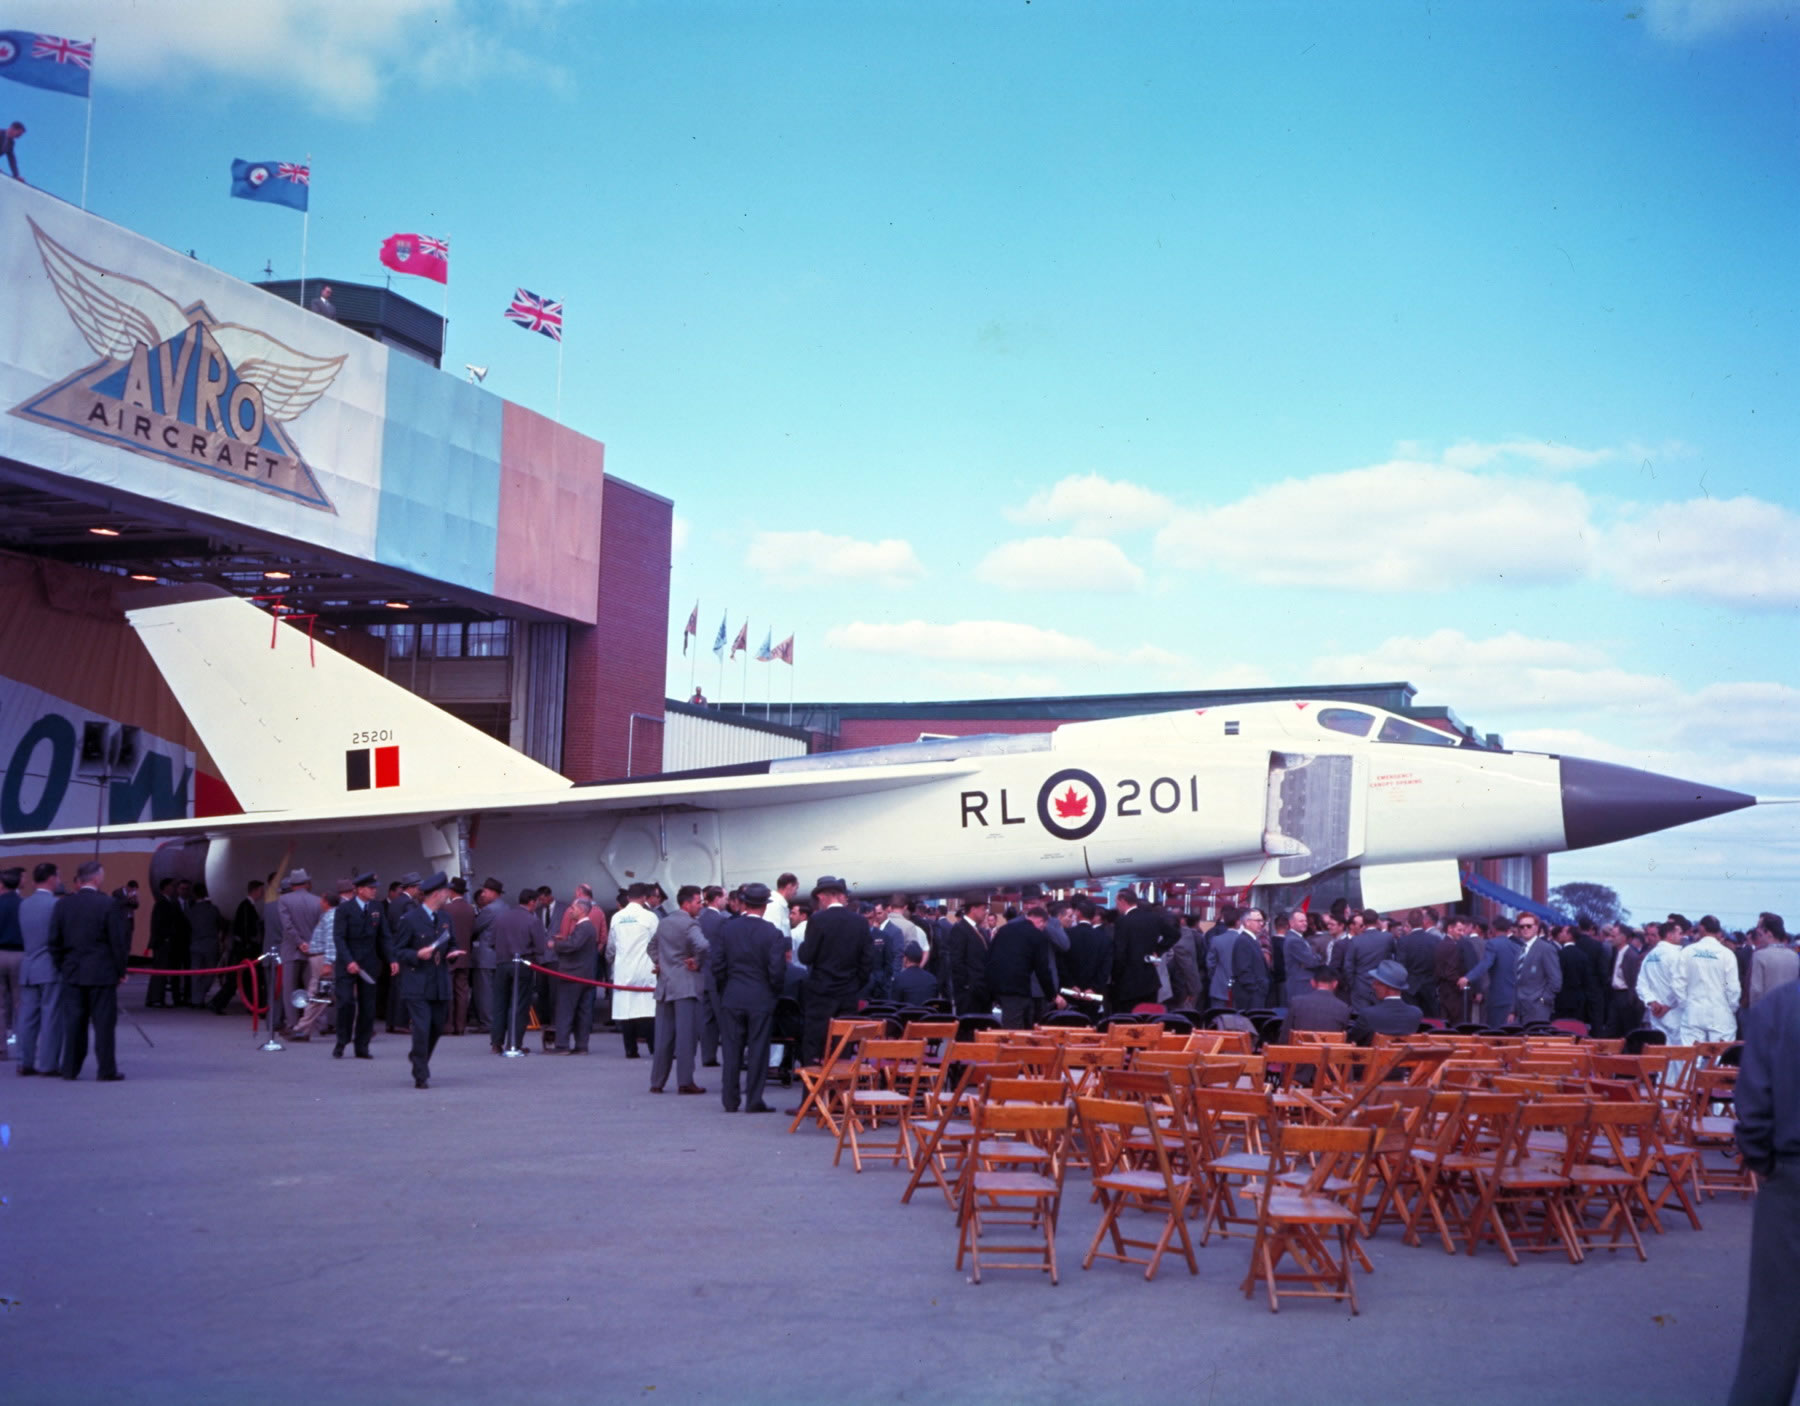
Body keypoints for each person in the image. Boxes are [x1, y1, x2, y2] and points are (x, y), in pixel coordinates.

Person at [1726, 970, 1800, 1406]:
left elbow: (1753, 1102)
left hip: (1792, 1176)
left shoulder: (1778, 1008)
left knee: (1774, 1327)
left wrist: (1766, 1161)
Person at [49, 860, 131, 1081]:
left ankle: (70, 1068)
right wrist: (120, 970)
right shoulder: (108, 904)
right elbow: (117, 941)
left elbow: (54, 941)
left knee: (74, 1023)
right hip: (102, 973)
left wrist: (63, 966)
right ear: (96, 878)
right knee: (104, 1025)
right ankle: (106, 1069)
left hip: (73, 972)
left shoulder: (63, 905)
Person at [712, 881, 786, 1114]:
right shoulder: (772, 933)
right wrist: (772, 992)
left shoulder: (727, 928)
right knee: (758, 1049)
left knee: (732, 1049)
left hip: (733, 994)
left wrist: (726, 988)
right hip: (761, 996)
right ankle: (754, 1099)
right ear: (764, 906)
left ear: (743, 903)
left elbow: (717, 965)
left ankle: (730, 1099)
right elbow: (777, 971)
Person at [796, 876, 873, 1064]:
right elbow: (868, 961)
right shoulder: (860, 922)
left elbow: (806, 956)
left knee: (814, 1048)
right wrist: (854, 984)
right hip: (848, 993)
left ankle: (813, 1092)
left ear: (823, 896)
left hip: (820, 993)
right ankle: (839, 1092)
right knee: (843, 1047)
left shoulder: (817, 920)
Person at [394, 872, 453, 1089]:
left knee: (437, 1026)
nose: (448, 895)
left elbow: (451, 943)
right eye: (445, 891)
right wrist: (416, 955)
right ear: (436, 894)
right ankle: (421, 1073)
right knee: (422, 1027)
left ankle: (418, 1057)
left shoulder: (445, 918)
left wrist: (453, 953)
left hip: (439, 982)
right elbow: (398, 949)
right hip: (417, 981)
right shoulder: (410, 919)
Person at [649, 885, 709, 1094]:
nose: (700, 906)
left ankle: (657, 1082)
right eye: (698, 902)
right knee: (686, 1037)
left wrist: (661, 963)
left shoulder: (664, 922)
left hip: (665, 984)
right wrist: (697, 961)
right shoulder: (690, 924)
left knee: (663, 1037)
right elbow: (703, 946)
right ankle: (685, 1081)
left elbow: (651, 946)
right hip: (686, 985)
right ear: (687, 903)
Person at [333, 872, 396, 1059]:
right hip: (347, 962)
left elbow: (384, 936)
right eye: (371, 888)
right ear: (359, 890)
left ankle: (362, 1045)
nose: (374, 891)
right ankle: (342, 1041)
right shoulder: (344, 909)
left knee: (368, 1007)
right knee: (345, 1002)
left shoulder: (377, 907)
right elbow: (339, 937)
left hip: (369, 962)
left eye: (375, 887)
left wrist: (391, 958)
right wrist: (349, 961)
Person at [15, 863, 63, 1076]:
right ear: (52, 878)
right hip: (50, 966)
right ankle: (48, 1063)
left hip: (28, 966)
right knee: (51, 1015)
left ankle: (25, 1061)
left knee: (27, 1017)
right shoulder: (55, 905)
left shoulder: (24, 904)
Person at [490, 884, 546, 1054]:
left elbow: (491, 942)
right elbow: (540, 947)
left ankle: (496, 1042)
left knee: (499, 1003)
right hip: (522, 964)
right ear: (531, 902)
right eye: (536, 902)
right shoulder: (532, 919)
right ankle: (514, 1043)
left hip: (501, 963)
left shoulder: (501, 917)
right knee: (519, 1004)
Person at [987, 905, 1062, 1029]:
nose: (1043, 929)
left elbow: (990, 956)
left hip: (997, 987)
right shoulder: (1037, 936)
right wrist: (1052, 995)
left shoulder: (1004, 930)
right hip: (1018, 987)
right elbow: (1042, 969)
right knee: (1014, 1028)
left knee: (1009, 1022)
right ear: (1041, 921)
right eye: (1043, 926)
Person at [606, 884, 660, 1057]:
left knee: (626, 1011)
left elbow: (611, 946)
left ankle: (630, 1050)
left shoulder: (617, 917)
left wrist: (611, 961)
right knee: (648, 1011)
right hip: (645, 968)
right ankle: (654, 1048)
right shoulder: (650, 917)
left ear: (628, 898)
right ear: (644, 898)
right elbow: (657, 942)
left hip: (623, 969)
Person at [290, 882, 346, 1041]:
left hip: (323, 960)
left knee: (318, 995)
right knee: (334, 995)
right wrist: (313, 946)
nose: (319, 903)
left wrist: (328, 962)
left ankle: (302, 1029)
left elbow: (331, 941)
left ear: (327, 902)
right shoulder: (330, 916)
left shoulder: (331, 917)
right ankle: (360, 1027)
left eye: (321, 900)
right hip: (321, 957)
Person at [1676, 915, 1741, 1043]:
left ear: (1701, 929)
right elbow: (1732, 986)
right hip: (1720, 1011)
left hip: (1693, 1011)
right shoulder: (1727, 954)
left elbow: (1678, 983)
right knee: (1720, 1057)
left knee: (1690, 1057)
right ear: (1718, 931)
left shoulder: (1687, 952)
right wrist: (1731, 1007)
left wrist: (1686, 1004)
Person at [550, 895, 601, 1054]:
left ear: (581, 910)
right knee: (583, 1012)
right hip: (585, 974)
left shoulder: (584, 927)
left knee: (566, 1010)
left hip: (573, 974)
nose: (570, 911)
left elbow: (573, 945)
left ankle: (562, 1045)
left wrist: (556, 945)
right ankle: (581, 1045)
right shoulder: (588, 928)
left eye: (573, 908)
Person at [1109, 889, 1174, 1012]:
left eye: (1116, 902)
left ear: (1122, 900)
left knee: (1127, 1023)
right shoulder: (1153, 918)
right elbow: (1174, 934)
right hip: (1150, 980)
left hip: (1127, 982)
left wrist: (1115, 977)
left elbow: (1120, 953)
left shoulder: (1123, 921)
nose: (1116, 906)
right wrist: (1157, 951)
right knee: (1148, 1021)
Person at [935, 896, 990, 1013]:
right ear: (973, 909)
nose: (985, 912)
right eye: (983, 909)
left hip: (982, 990)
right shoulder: (960, 929)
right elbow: (957, 960)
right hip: (969, 992)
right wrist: (967, 985)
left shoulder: (980, 930)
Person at [1348, 960, 1423, 1046]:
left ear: (1387, 988)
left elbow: (1350, 1040)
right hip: (1402, 1058)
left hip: (1373, 1058)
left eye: (1376, 983)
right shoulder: (1416, 1013)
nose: (1373, 986)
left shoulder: (1368, 1014)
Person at [1636, 919, 1689, 1041]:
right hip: (1675, 1013)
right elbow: (1680, 985)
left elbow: (1641, 985)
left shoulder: (1650, 956)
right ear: (1670, 935)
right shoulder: (1678, 956)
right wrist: (1667, 1006)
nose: (1682, 936)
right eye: (1680, 933)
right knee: (1678, 1054)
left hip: (1655, 1013)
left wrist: (1651, 1002)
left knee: (1660, 1051)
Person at [145, 877, 190, 1009]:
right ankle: (155, 998)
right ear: (165, 888)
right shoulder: (161, 904)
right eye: (171, 886)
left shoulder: (170, 903)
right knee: (160, 970)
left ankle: (161, 998)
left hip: (170, 943)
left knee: (167, 971)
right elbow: (158, 924)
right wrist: (164, 938)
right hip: (163, 943)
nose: (173, 889)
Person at [697, 885, 729, 1067]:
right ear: (717, 899)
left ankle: (708, 1055)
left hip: (702, 973)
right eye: (724, 897)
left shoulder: (699, 919)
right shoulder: (721, 921)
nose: (726, 901)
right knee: (723, 1018)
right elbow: (721, 950)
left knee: (707, 1017)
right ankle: (729, 1055)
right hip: (717, 975)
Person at [1281, 967, 1351, 1044]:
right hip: (1328, 1054)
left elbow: (1284, 1036)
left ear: (1312, 983)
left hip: (1299, 1053)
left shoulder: (1296, 1002)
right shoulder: (1344, 1008)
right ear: (1335, 984)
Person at [443, 877, 477, 1035]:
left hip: (448, 954)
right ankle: (460, 1026)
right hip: (465, 954)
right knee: (462, 991)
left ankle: (447, 1026)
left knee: (447, 990)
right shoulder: (471, 909)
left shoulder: (446, 908)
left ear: (451, 891)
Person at [186, 882, 224, 1007]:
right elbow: (220, 925)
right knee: (210, 972)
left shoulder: (190, 910)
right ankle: (200, 994)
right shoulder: (213, 909)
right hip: (210, 944)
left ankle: (196, 999)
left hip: (195, 943)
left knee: (195, 974)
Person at [1749, 914, 1797, 1006]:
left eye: (1760, 933)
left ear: (1769, 933)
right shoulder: (1794, 956)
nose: (1759, 936)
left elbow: (1756, 990)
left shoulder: (1760, 956)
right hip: (1790, 1012)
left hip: (1767, 1012)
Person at [0, 866, 21, 1056]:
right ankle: (23, 1042)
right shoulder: (22, 904)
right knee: (20, 1002)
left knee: (0, 1003)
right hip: (19, 955)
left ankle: (1, 1046)